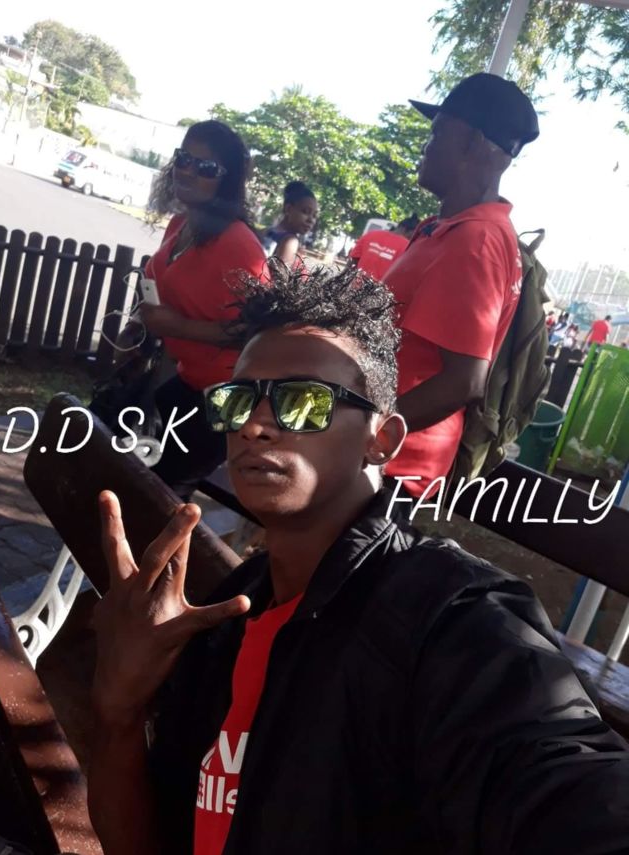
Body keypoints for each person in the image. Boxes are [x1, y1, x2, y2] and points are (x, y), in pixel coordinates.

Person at [88, 264, 629, 855]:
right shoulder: (228, 619)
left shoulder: (450, 620)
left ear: (383, 439)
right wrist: (119, 711)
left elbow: (562, 784)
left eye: (303, 401)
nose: (256, 425)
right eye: (237, 400)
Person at [383, 73, 540, 497]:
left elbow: (464, 381)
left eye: (437, 133)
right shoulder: (452, 229)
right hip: (383, 458)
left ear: (472, 143)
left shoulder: (476, 240)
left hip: (392, 469)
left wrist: (364, 433)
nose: (426, 146)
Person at [137, 120, 267, 500]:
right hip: (188, 380)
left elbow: (260, 334)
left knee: (160, 496)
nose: (189, 171)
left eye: (206, 167)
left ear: (227, 181)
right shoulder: (181, 224)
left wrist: (178, 327)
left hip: (228, 396)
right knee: (140, 474)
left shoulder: (239, 245)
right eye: (184, 159)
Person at [261, 181, 318, 266]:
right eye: (305, 212)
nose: (311, 220)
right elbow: (279, 275)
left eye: (314, 215)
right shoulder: (290, 241)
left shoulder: (265, 231)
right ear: (288, 209)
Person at [348, 214, 419, 280]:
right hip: (380, 288)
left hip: (357, 285)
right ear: (404, 229)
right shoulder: (408, 247)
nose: (414, 238)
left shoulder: (371, 235)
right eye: (413, 234)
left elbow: (352, 261)